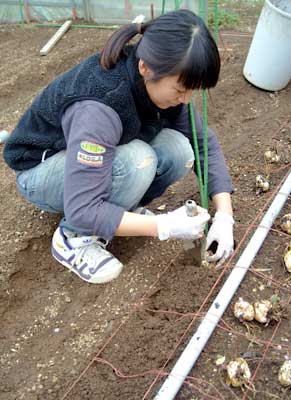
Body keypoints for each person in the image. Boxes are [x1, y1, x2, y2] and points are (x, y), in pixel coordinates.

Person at [3, 9, 234, 284]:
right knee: (137, 161)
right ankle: (72, 238)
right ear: (145, 67)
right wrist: (163, 226)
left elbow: (202, 145)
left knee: (179, 150)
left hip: (85, 160)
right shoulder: (100, 106)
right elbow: (83, 207)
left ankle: (123, 207)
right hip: (40, 171)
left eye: (193, 91)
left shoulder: (165, 86)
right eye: (181, 89)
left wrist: (225, 216)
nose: (186, 99)